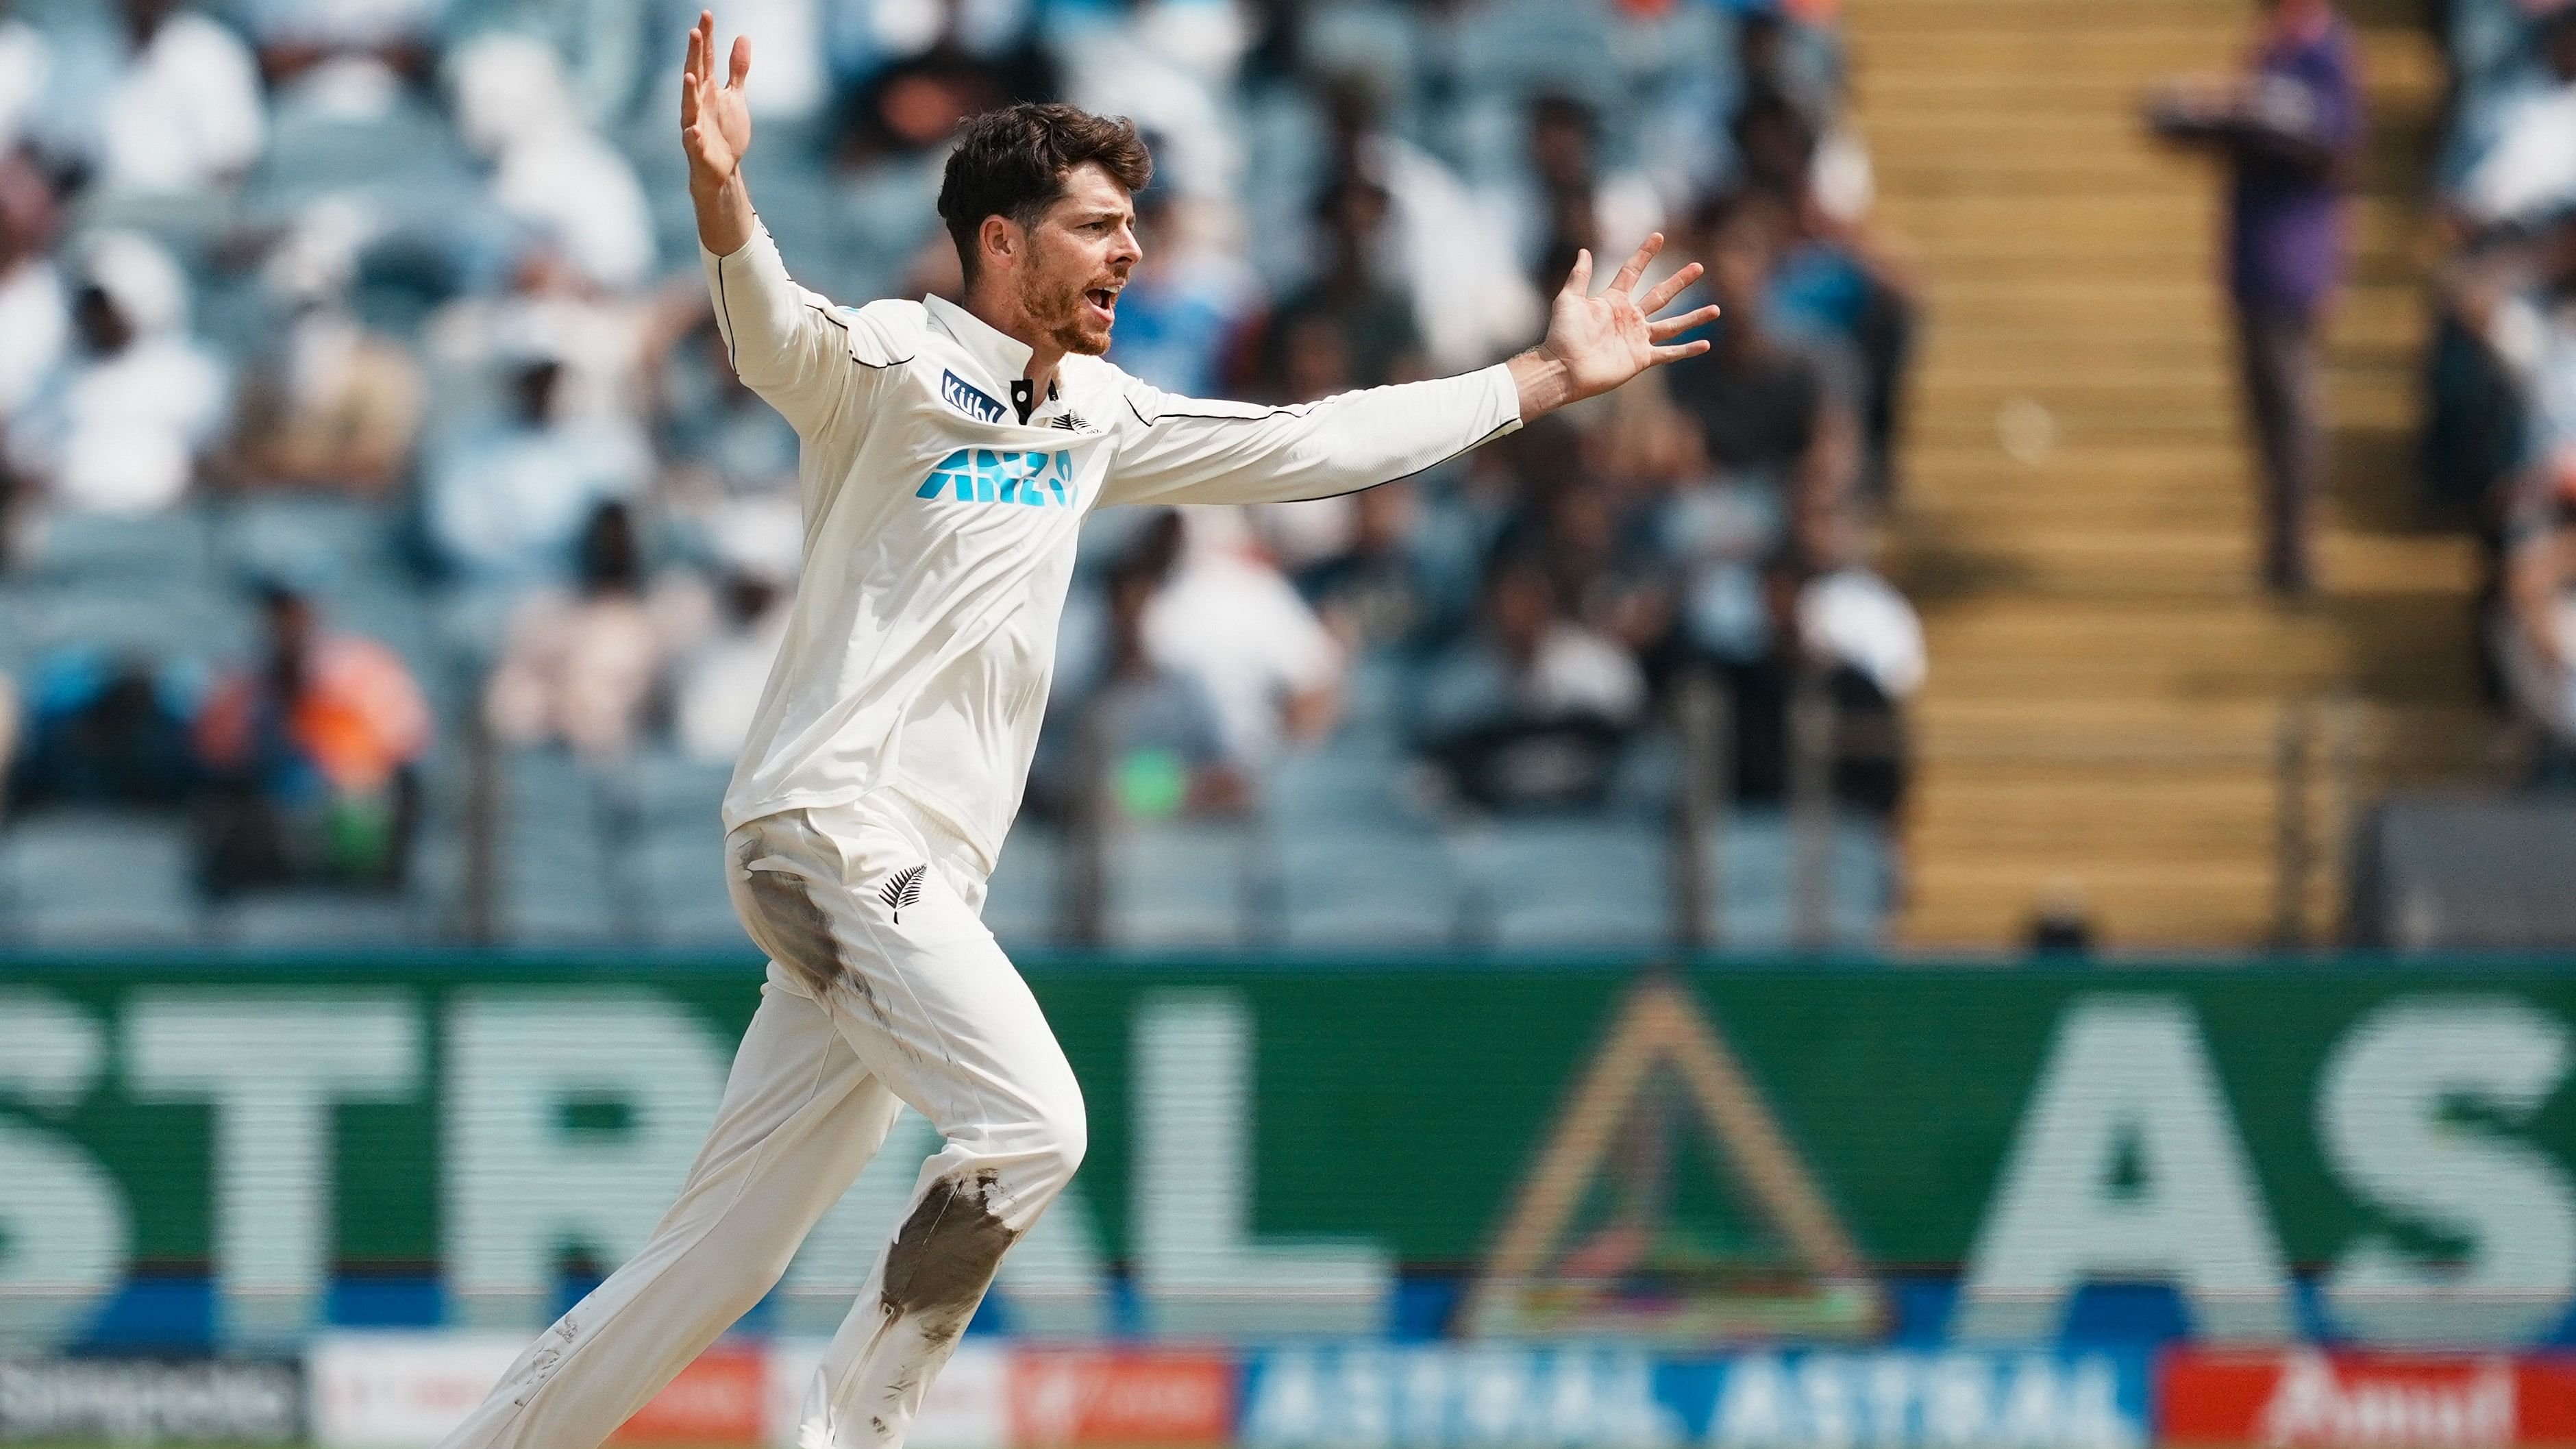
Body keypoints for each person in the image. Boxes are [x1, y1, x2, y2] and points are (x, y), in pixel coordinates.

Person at [430, 16, 1718, 1449]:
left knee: (719, 1258)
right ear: (1000, 239)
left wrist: (1535, 382)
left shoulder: (1091, 413)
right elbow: (766, 329)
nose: (1130, 255)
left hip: (907, 869)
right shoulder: (894, 364)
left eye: (1134, 227)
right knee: (1034, 1123)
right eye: (1097, 228)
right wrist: (723, 196)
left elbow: (1308, 446)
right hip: (833, 826)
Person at [2146, 0, 2362, 597]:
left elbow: (2331, 141)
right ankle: (2278, 547)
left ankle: (2297, 552)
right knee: (2265, 407)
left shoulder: (2326, 51)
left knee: (2293, 405)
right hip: (2254, 256)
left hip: (2294, 257)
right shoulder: (2276, 48)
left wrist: (2247, 111)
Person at [192, 576, 432, 895]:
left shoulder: (366, 670)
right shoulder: (243, 685)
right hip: (270, 828)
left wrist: (329, 724)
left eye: (296, 612)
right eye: (278, 612)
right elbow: (215, 755)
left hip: (355, 819)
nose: (288, 626)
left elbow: (408, 745)